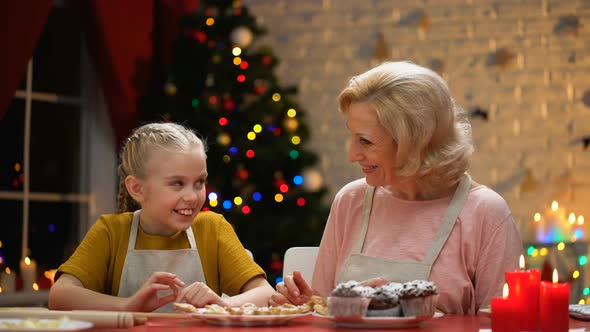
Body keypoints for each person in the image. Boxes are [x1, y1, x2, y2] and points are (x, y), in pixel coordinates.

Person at [269, 61, 523, 314]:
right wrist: (305, 307)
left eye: (365, 141)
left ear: (415, 143)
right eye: (353, 137)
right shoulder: (350, 200)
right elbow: (322, 309)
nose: (352, 154)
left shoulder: (486, 213)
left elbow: (504, 325)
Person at [49, 123, 274, 312]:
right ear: (137, 189)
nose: (193, 196)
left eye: (200, 182)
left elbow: (266, 293)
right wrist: (127, 305)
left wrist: (222, 304)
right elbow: (60, 295)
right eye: (177, 183)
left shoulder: (213, 229)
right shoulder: (111, 231)